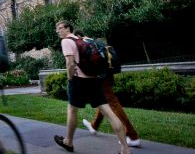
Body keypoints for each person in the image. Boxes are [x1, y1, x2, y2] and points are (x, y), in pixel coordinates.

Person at [53, 21, 131, 154]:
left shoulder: (66, 41)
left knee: (72, 110)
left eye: (60, 28)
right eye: (57, 29)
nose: (58, 31)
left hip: (78, 81)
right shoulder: (82, 39)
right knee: (109, 113)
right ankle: (125, 149)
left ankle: (69, 142)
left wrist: (70, 78)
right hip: (94, 81)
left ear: (67, 28)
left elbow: (70, 63)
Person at [74, 31, 142, 148]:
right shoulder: (95, 41)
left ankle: (132, 136)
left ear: (78, 36)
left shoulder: (84, 43)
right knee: (103, 101)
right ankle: (94, 126)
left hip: (100, 76)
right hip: (109, 74)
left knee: (112, 103)